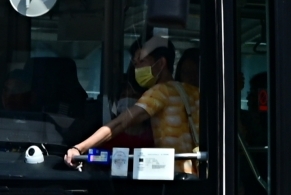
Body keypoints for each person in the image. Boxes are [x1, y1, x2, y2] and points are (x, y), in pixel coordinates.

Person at [67, 36, 200, 170]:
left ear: (161, 64)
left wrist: (79, 148)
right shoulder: (194, 91)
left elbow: (121, 123)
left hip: (175, 176)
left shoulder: (160, 91)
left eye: (142, 61)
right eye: (135, 64)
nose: (137, 69)